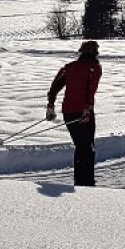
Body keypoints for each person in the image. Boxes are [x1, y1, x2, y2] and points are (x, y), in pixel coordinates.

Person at [46, 40, 101, 186]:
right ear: (95, 52)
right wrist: (88, 109)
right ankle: (87, 182)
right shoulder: (95, 67)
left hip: (68, 111)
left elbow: (54, 87)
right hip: (84, 111)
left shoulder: (69, 67)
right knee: (87, 146)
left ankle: (79, 179)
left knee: (80, 144)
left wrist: (50, 105)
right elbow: (91, 89)